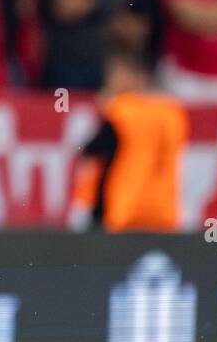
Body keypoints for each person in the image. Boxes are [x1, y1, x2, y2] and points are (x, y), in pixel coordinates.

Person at [68, 52, 188, 233]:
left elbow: (92, 149)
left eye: (115, 75)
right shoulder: (173, 112)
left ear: (134, 77)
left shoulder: (122, 111)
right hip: (163, 210)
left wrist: (104, 107)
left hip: (124, 208)